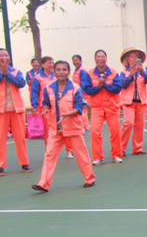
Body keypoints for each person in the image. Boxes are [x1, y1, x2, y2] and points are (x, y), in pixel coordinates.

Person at [31, 60, 95, 192]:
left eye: (64, 70)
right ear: (54, 72)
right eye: (58, 70)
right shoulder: (48, 88)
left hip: (73, 127)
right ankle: (43, 184)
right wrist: (45, 108)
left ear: (68, 72)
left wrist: (65, 115)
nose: (61, 72)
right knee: (49, 155)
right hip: (55, 129)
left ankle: (89, 178)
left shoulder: (75, 88)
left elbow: (78, 107)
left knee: (81, 154)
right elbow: (46, 102)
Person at [0, 48, 31, 175]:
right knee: (0, 138)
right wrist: (1, 74)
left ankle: (24, 163)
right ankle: (0, 166)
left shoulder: (16, 71)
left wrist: (7, 74)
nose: (4, 58)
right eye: (1, 56)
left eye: (6, 55)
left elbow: (21, 83)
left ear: (9, 58)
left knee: (20, 138)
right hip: (0, 110)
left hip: (16, 109)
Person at [81, 49, 124, 164]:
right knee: (95, 132)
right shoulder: (89, 73)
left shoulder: (113, 72)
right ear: (95, 59)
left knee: (115, 132)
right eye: (98, 57)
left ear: (106, 58)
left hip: (112, 106)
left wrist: (105, 85)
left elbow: (117, 88)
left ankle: (116, 155)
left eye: (102, 56)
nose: (100, 59)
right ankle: (97, 157)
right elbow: (88, 90)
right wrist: (98, 87)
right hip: (97, 107)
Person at [118, 48, 147, 155]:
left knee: (139, 125)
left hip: (141, 102)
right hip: (128, 102)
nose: (134, 59)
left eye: (136, 57)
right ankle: (120, 148)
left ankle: (137, 148)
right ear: (127, 59)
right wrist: (131, 75)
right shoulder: (124, 72)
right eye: (132, 57)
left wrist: (142, 72)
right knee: (128, 123)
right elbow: (122, 84)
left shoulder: (142, 71)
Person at [30, 55, 55, 146]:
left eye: (52, 63)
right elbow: (34, 93)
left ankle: (69, 150)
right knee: (48, 131)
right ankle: (49, 150)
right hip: (45, 108)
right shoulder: (38, 78)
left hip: (58, 106)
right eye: (49, 63)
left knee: (63, 129)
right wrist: (34, 106)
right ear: (43, 65)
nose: (51, 65)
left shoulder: (57, 76)